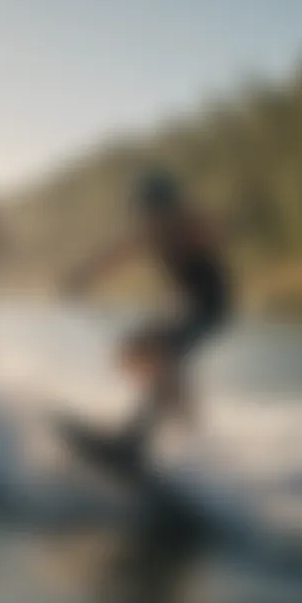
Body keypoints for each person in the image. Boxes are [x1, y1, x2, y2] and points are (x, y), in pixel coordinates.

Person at [61, 166, 231, 470]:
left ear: (168, 205)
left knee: (164, 356)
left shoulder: (186, 225)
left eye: (154, 209)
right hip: (185, 309)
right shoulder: (152, 232)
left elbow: (210, 230)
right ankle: (189, 432)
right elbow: (116, 254)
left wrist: (201, 229)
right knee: (134, 355)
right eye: (146, 211)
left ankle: (135, 439)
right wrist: (83, 276)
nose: (149, 217)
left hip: (211, 308)